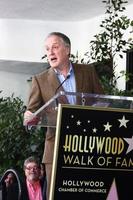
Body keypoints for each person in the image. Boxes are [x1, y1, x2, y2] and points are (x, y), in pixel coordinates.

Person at [23, 32, 104, 199]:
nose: (50, 52)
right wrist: (29, 117)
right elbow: (31, 111)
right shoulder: (40, 80)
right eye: (47, 49)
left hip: (86, 146)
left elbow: (102, 101)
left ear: (67, 50)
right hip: (55, 150)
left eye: (55, 47)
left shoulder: (87, 71)